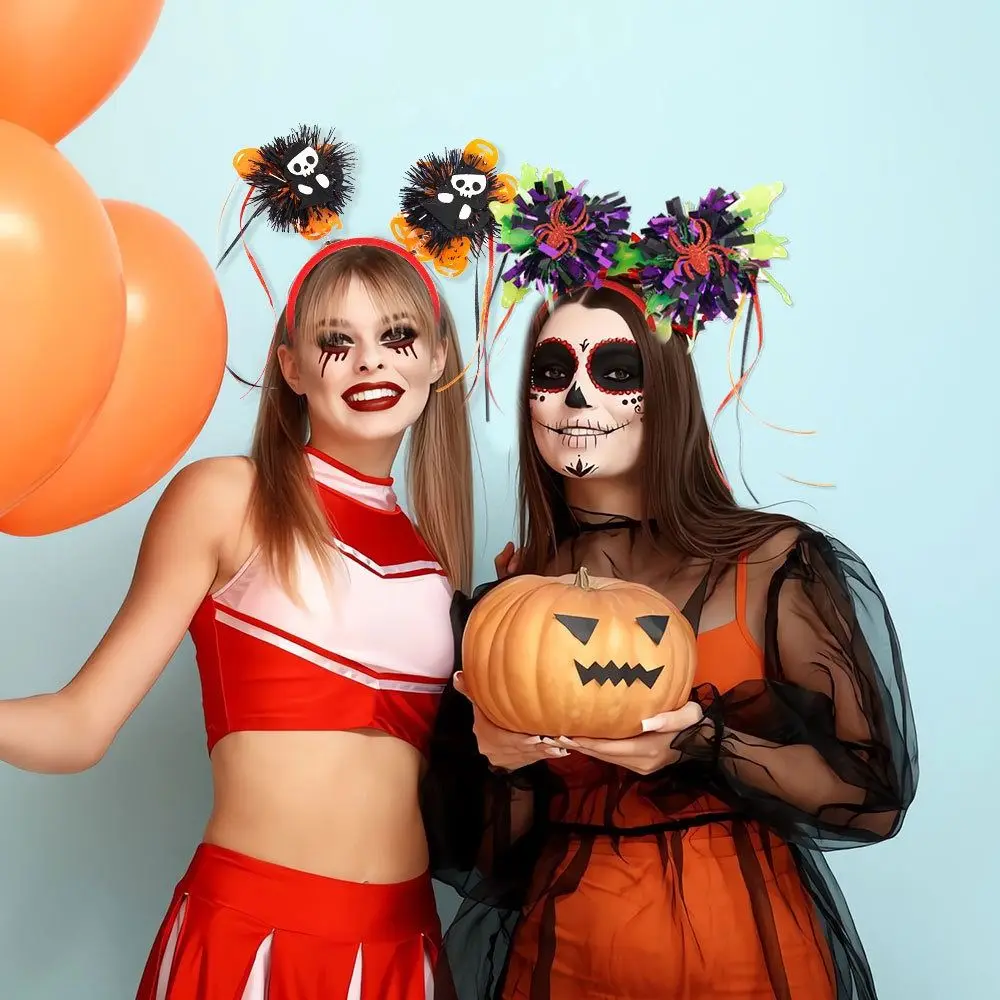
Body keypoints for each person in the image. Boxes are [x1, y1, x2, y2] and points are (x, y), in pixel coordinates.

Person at [0, 125, 476, 1000]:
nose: (369, 360)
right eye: (336, 342)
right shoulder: (230, 497)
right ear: (293, 369)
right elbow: (80, 725)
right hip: (249, 941)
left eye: (398, 334)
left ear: (438, 359)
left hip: (404, 951)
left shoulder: (435, 559)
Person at [423, 173, 917, 1000]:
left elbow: (871, 799)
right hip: (564, 954)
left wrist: (703, 745)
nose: (577, 396)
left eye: (616, 369)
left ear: (667, 391)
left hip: (746, 957)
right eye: (552, 369)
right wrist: (500, 762)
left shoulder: (774, 564)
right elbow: (493, 865)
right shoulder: (510, 598)